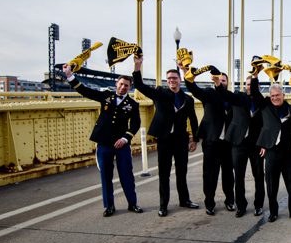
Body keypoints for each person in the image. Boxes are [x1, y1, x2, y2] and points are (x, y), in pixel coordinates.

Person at [62, 63, 142, 216]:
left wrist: (126, 138)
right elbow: (84, 90)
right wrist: (69, 75)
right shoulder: (105, 96)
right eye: (121, 84)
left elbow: (136, 124)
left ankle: (132, 204)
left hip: (122, 144)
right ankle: (109, 206)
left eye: (126, 85)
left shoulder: (133, 104)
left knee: (127, 175)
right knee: (106, 176)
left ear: (130, 87)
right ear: (116, 84)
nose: (123, 87)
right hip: (104, 142)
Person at [133, 55, 200, 217]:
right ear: (166, 80)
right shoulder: (159, 93)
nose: (172, 80)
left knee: (182, 172)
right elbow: (139, 85)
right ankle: (163, 205)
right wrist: (137, 66)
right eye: (169, 78)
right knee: (164, 174)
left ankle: (185, 200)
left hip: (181, 139)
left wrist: (195, 139)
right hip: (164, 139)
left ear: (180, 80)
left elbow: (193, 120)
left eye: (175, 78)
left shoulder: (188, 99)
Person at [250, 76, 291, 223]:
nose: (275, 98)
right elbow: (254, 92)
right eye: (272, 96)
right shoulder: (265, 107)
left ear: (283, 95)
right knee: (272, 186)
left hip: (288, 153)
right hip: (271, 152)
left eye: (277, 95)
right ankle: (273, 212)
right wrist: (255, 76)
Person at [183, 66, 235, 215]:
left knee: (228, 175)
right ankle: (210, 203)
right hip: (211, 142)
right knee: (209, 174)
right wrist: (188, 76)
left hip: (228, 143)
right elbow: (194, 89)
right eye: (219, 79)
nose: (222, 82)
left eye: (224, 80)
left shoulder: (232, 97)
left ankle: (230, 200)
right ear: (214, 80)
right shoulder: (209, 94)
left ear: (228, 83)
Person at [216, 75, 266, 217]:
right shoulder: (239, 97)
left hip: (256, 144)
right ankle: (241, 206)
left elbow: (266, 124)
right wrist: (218, 84)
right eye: (247, 84)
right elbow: (225, 95)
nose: (249, 87)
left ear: (257, 86)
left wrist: (265, 143)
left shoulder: (261, 101)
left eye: (252, 84)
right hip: (239, 143)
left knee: (258, 176)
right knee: (238, 176)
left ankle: (258, 205)